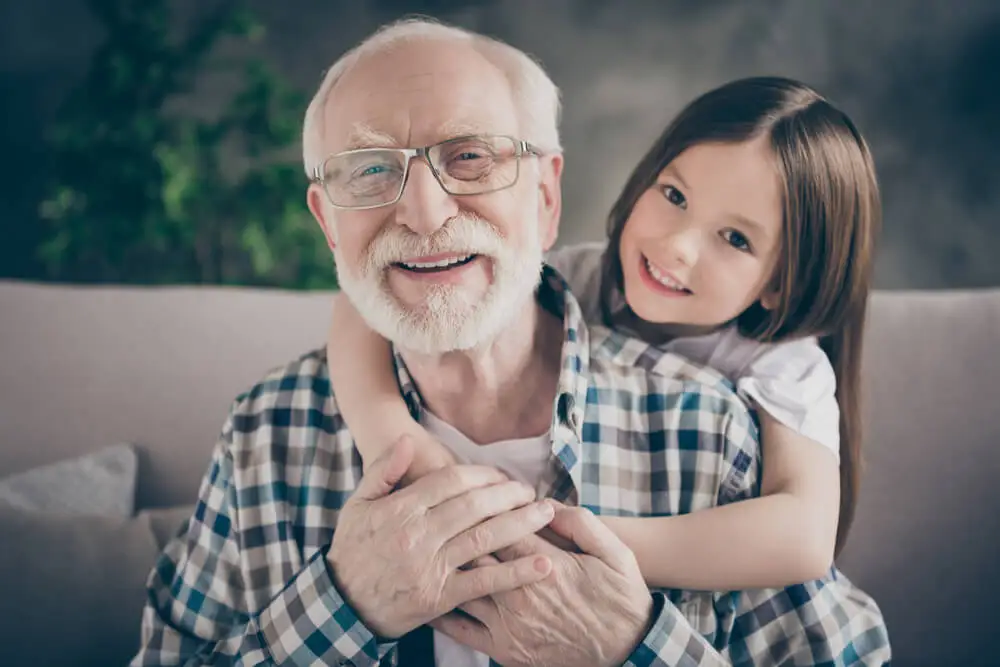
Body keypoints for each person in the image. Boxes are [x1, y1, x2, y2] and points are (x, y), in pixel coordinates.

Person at [132, 17, 890, 667]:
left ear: (547, 196)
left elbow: (806, 544)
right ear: (329, 224)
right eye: (370, 171)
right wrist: (341, 602)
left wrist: (635, 640)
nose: (424, 215)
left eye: (470, 156)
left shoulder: (717, 428)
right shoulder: (265, 436)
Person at [327, 74, 879, 591]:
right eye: (674, 196)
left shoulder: (781, 363)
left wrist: (566, 540)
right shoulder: (575, 277)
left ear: (780, 284)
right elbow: (362, 304)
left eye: (735, 238)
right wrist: (396, 441)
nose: (677, 246)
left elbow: (804, 539)